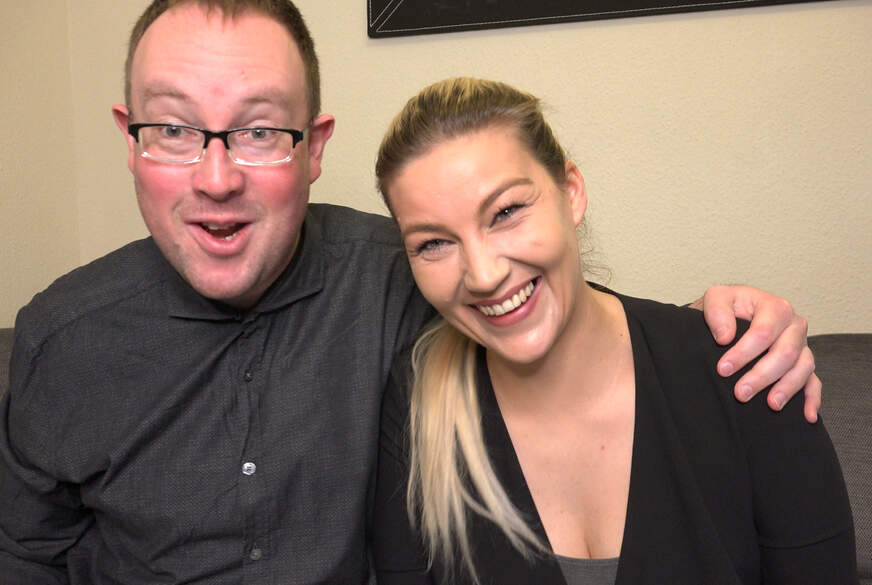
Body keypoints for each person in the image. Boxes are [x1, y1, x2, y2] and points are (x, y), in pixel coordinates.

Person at [0, 2, 822, 584]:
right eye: (175, 130)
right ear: (130, 139)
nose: (217, 179)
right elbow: (24, 555)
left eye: (259, 130)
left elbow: (531, 301)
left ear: (314, 148)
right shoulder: (60, 339)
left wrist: (723, 331)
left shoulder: (399, 274)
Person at [371, 77, 857, 584]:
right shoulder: (414, 410)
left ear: (571, 193)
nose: (484, 274)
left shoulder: (748, 370)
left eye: (506, 212)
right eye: (433, 243)